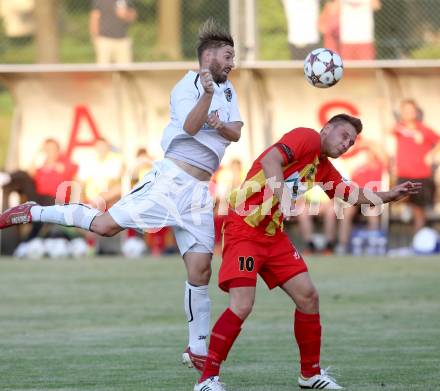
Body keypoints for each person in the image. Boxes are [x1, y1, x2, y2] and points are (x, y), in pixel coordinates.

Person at [0, 18, 243, 369]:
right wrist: (206, 96)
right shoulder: (186, 87)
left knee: (201, 269)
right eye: (227, 55)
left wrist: (222, 123)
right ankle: (33, 211)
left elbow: (235, 131)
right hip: (170, 182)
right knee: (104, 226)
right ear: (208, 58)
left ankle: (197, 349)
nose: (232, 62)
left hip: (199, 191)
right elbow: (190, 128)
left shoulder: (229, 89)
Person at [193, 114, 421, 391]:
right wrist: (283, 197)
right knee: (242, 304)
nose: (346, 144)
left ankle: (310, 375)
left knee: (308, 297)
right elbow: (270, 161)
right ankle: (207, 380)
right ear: (326, 129)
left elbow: (348, 194)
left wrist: (389, 195)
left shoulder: (321, 166)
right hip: (244, 230)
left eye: (351, 142)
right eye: (344, 136)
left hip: (272, 236)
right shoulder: (307, 137)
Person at [392, 99, 440, 232]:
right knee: (399, 198)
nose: (409, 113)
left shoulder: (425, 130)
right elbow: (388, 130)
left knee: (419, 210)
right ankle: (406, 207)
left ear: (417, 112)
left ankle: (418, 240)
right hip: (403, 174)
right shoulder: (398, 128)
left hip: (421, 175)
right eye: (406, 111)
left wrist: (431, 154)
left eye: (411, 110)